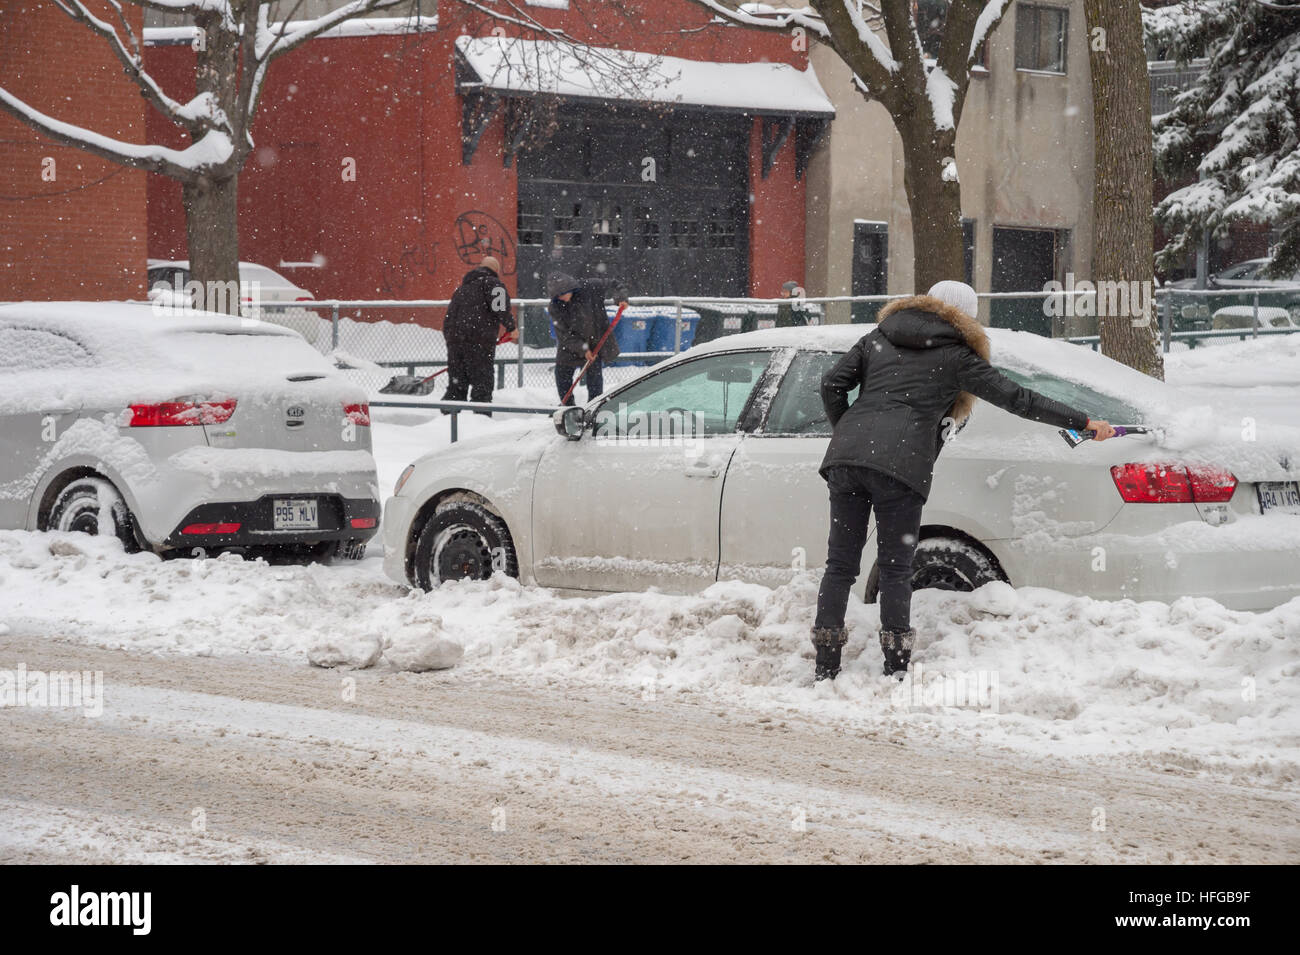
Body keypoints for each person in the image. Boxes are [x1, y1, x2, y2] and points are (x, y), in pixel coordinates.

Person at [811, 280, 1117, 682]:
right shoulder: (956, 356)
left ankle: (826, 665)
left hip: (846, 461)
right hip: (900, 467)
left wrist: (850, 432)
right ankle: (895, 668)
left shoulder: (878, 336)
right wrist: (1083, 422)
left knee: (840, 565)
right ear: (965, 316)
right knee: (896, 568)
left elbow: (832, 383)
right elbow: (1017, 399)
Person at [443, 256, 516, 414]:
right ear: (495, 270)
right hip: (479, 342)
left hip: (455, 343)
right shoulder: (492, 283)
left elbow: (448, 319)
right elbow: (500, 306)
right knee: (482, 383)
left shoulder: (461, 289)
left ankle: (449, 421)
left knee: (457, 384)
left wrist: (453, 341)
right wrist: (511, 327)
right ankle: (480, 420)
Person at [547, 271, 630, 404]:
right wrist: (583, 349)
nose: (561, 298)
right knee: (562, 375)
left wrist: (621, 298)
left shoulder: (590, 287)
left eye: (562, 294)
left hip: (594, 342)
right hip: (570, 346)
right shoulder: (555, 306)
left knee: (595, 380)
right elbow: (564, 335)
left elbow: (616, 284)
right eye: (557, 296)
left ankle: (594, 406)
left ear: (569, 288)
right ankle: (568, 408)